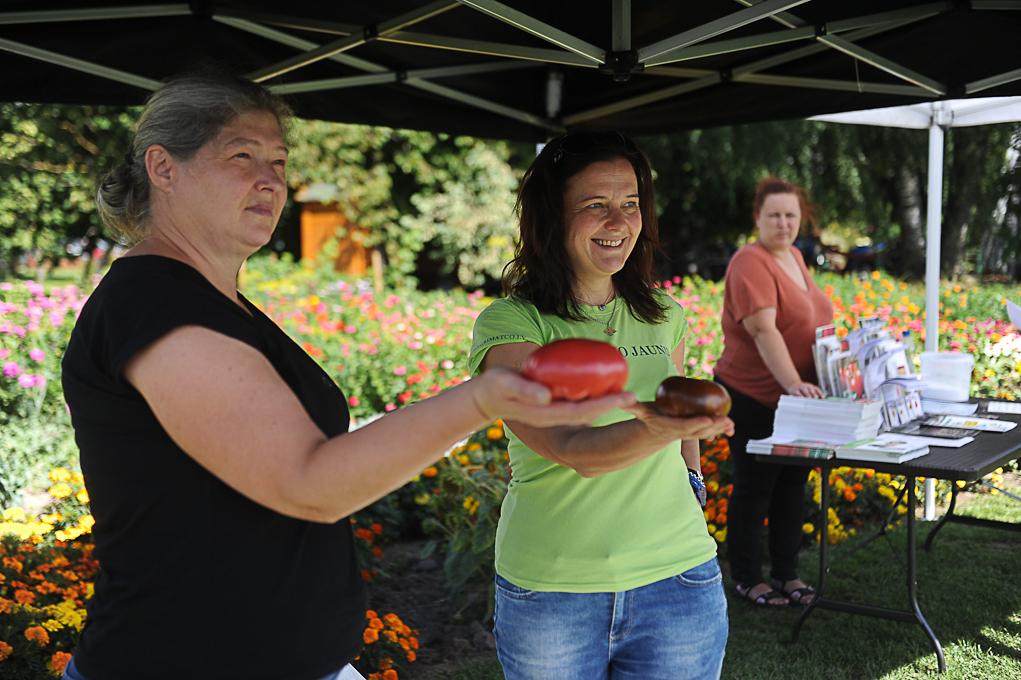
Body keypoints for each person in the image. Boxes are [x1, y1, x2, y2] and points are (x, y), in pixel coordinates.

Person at [58, 73, 635, 680]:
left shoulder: (212, 301)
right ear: (163, 167)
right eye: (241, 155)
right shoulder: (153, 303)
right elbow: (310, 482)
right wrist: (483, 398)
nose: (270, 179)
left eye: (279, 161)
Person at [469, 131, 735, 680]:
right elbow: (572, 448)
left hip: (679, 581)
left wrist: (692, 477)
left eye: (631, 204)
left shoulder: (666, 313)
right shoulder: (512, 324)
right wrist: (658, 429)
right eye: (596, 205)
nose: (619, 222)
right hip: (552, 591)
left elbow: (680, 404)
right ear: (551, 215)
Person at [713, 176, 835, 608]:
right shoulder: (750, 262)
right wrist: (793, 385)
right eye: (774, 215)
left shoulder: (795, 256)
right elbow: (764, 331)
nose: (783, 223)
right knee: (755, 487)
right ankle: (747, 578)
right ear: (758, 218)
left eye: (791, 215)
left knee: (793, 486)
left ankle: (786, 574)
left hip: (796, 399)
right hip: (755, 396)